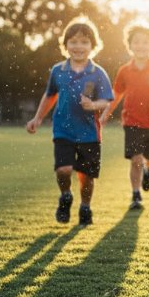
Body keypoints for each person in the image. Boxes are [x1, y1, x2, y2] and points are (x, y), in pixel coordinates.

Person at [25, 17, 114, 226]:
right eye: (73, 41)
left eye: (84, 42)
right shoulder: (58, 70)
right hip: (63, 130)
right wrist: (37, 119)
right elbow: (50, 95)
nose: (78, 46)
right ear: (65, 45)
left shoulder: (98, 73)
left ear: (93, 45)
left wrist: (93, 105)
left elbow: (107, 102)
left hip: (89, 133)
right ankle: (65, 196)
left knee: (86, 176)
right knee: (63, 170)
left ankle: (85, 207)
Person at [101, 21, 149, 210]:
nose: (141, 46)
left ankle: (148, 172)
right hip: (132, 121)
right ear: (130, 45)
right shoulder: (125, 70)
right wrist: (105, 115)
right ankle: (136, 195)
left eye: (145, 42)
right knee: (135, 159)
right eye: (137, 42)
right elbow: (115, 94)